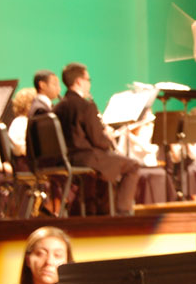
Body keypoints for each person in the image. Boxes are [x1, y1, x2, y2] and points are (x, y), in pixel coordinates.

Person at [52, 62, 140, 215]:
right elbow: (98, 141)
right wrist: (108, 138)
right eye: (88, 80)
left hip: (66, 158)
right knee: (132, 166)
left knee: (108, 167)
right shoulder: (85, 106)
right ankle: (122, 212)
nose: (89, 84)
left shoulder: (58, 107)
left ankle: (98, 211)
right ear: (79, 81)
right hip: (86, 158)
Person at [0, 226, 73, 284]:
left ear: (67, 262)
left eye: (58, 255)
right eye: (40, 253)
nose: (49, 261)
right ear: (28, 260)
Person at [8, 87, 36, 159]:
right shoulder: (19, 122)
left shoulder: (26, 120)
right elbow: (20, 148)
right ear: (28, 104)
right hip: (25, 163)